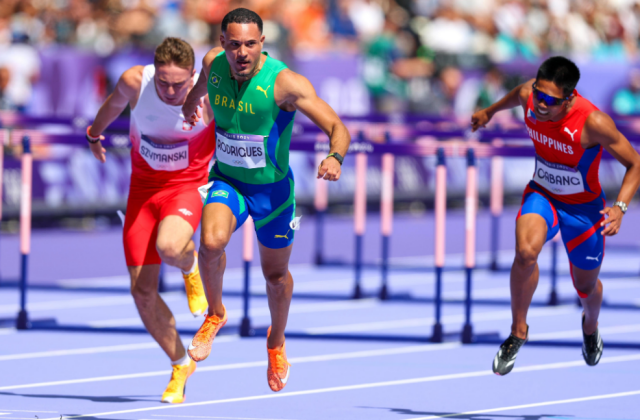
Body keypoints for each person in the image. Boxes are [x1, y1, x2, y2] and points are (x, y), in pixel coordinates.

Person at [182, 8, 351, 392]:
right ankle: (216, 313)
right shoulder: (213, 63)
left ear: (263, 44)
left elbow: (338, 127)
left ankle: (276, 342)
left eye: (251, 45)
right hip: (228, 182)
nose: (242, 53)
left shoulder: (285, 84)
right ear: (223, 43)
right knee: (209, 244)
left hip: (273, 194)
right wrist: (193, 101)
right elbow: (202, 82)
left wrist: (334, 157)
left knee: (274, 277)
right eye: (235, 45)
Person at [471, 56, 640, 375]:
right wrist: (488, 112)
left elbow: (636, 164)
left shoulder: (594, 123)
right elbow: (517, 93)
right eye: (539, 95)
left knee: (585, 288)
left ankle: (590, 326)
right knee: (525, 252)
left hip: (585, 210)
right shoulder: (528, 96)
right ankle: (518, 331)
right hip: (543, 193)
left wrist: (619, 208)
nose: (542, 105)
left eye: (552, 100)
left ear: (570, 97)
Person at [87, 37, 216, 403]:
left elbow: (224, 58)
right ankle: (179, 364)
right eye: (164, 83)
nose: (172, 90)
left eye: (180, 83)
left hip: (186, 187)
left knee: (170, 245)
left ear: (194, 76)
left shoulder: (207, 97)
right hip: (142, 192)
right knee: (142, 292)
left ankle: (190, 265)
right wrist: (93, 134)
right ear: (153, 73)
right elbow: (111, 107)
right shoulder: (134, 81)